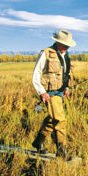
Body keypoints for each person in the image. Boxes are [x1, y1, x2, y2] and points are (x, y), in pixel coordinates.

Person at [31, 30, 75, 159]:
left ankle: (38, 142)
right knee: (60, 119)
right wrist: (42, 92)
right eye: (64, 45)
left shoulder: (66, 55)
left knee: (51, 118)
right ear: (57, 42)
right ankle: (61, 151)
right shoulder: (45, 53)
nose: (66, 48)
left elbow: (67, 73)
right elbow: (36, 74)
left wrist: (66, 87)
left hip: (60, 92)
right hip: (49, 92)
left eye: (68, 45)